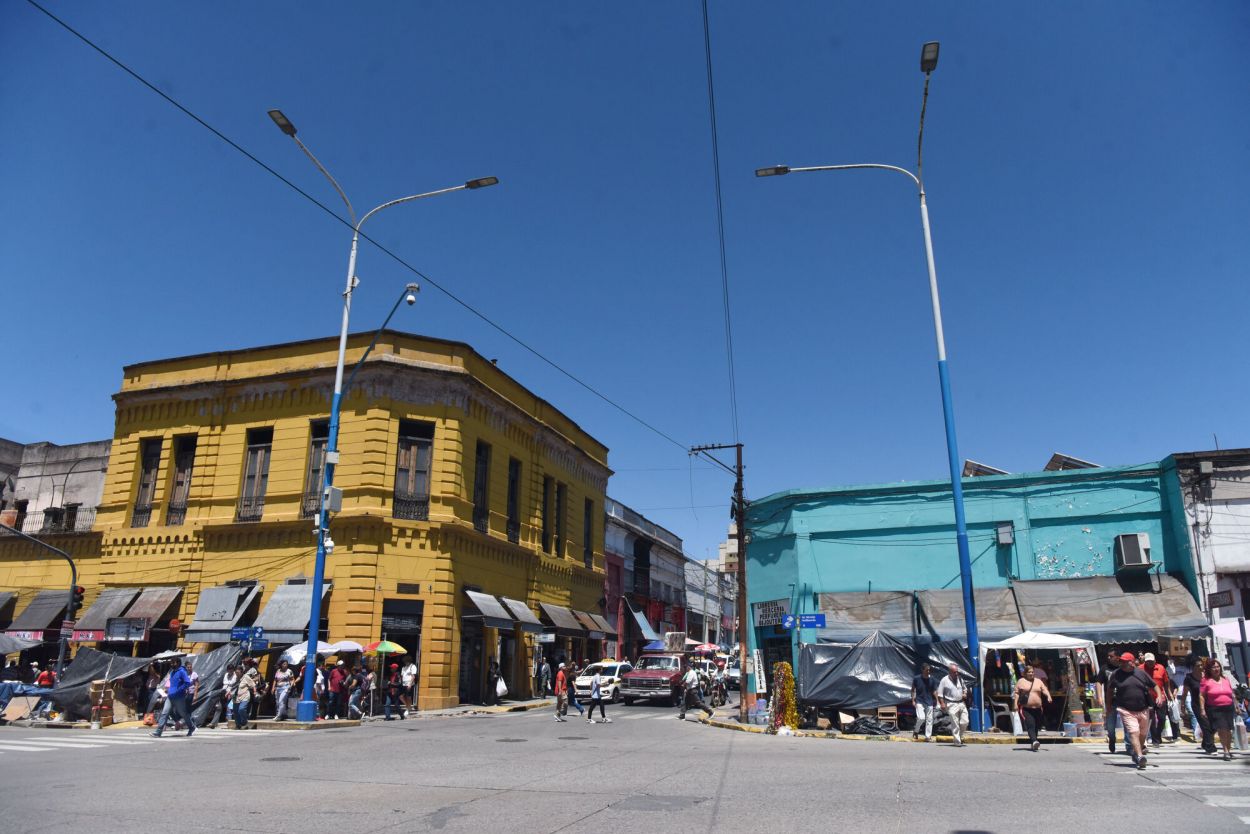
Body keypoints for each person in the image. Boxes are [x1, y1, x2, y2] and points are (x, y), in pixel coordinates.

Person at [1106, 651, 1156, 770]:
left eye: (1125, 662)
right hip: (1125, 709)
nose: (1122, 664)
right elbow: (1109, 691)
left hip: (1143, 708)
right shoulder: (1116, 674)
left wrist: (1159, 696)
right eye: (1121, 661)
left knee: (1142, 734)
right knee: (1134, 732)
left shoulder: (1141, 673)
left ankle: (1136, 752)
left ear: (1132, 663)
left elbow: (1154, 685)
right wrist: (1108, 706)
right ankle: (1140, 756)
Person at [1198, 658, 1237, 761]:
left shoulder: (1226, 679)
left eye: (1218, 667)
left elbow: (1232, 694)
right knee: (1222, 728)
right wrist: (1202, 709)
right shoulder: (1206, 681)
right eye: (1213, 667)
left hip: (1228, 707)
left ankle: (1228, 749)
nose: (1216, 669)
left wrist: (1237, 706)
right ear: (1209, 669)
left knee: (1228, 730)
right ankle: (1225, 751)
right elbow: (1201, 695)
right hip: (1215, 709)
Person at [151, 657, 195, 738]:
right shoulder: (172, 672)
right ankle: (158, 732)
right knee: (164, 713)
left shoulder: (182, 672)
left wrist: (179, 690)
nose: (171, 664)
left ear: (178, 663)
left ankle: (191, 727)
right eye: (171, 663)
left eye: (173, 663)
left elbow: (187, 683)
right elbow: (172, 684)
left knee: (183, 714)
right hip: (170, 697)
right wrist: (168, 691)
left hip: (179, 697)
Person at [1013, 665, 1052, 752]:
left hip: (1038, 708)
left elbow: (1044, 689)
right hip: (1026, 708)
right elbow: (1016, 693)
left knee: (1036, 726)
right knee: (1030, 724)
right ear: (1025, 673)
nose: (1031, 674)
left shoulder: (1038, 681)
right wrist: (1015, 704)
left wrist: (1048, 696)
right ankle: (1034, 741)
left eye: (1032, 672)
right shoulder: (1021, 681)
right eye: (1029, 672)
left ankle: (1033, 742)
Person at [1140, 653, 1174, 745]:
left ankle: (1158, 735)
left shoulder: (1161, 668)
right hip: (1147, 698)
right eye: (1147, 661)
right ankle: (1155, 740)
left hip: (1160, 696)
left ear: (1155, 661)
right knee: (1151, 720)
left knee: (1162, 718)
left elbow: (1166, 682)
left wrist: (1169, 693)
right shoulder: (1140, 669)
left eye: (1151, 661)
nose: (1149, 663)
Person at [1183, 661, 1216, 754]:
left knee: (1214, 726)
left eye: (1202, 665)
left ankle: (1205, 743)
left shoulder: (1207, 676)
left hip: (1210, 704)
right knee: (1205, 725)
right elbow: (1185, 693)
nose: (1201, 667)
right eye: (1198, 665)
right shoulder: (1189, 678)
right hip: (1197, 705)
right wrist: (1182, 706)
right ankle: (1210, 747)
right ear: (1193, 667)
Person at [936, 663, 970, 747]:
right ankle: (957, 741)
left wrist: (965, 693)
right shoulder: (944, 680)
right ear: (950, 672)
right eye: (954, 672)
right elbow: (940, 694)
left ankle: (960, 736)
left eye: (957, 671)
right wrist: (942, 703)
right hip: (951, 704)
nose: (956, 673)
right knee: (955, 723)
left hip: (961, 703)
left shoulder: (960, 679)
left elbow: (965, 689)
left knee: (965, 722)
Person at [911, 663, 939, 742]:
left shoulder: (932, 679)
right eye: (927, 670)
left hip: (929, 702)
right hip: (919, 701)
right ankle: (916, 731)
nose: (928, 671)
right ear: (922, 670)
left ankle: (928, 737)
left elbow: (934, 691)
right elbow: (913, 689)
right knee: (921, 718)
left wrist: (937, 701)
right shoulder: (916, 678)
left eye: (929, 670)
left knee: (929, 720)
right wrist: (913, 700)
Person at [234, 660, 259, 729]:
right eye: (236, 672)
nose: (236, 674)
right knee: (236, 711)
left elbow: (253, 685)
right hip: (236, 696)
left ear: (242, 672)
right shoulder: (235, 678)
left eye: (238, 672)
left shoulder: (246, 677)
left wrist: (255, 692)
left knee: (241, 709)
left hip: (245, 696)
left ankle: (244, 722)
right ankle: (238, 725)